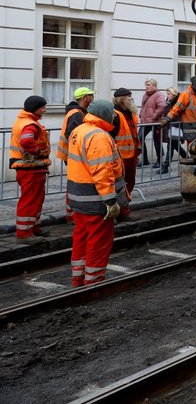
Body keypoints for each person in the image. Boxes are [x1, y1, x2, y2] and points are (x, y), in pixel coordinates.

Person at [66, 99, 128, 287]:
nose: (114, 117)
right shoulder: (99, 136)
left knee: (81, 237)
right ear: (104, 114)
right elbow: (102, 171)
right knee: (98, 241)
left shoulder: (79, 131)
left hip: (78, 197)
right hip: (96, 200)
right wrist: (110, 200)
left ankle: (78, 278)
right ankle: (93, 281)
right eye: (112, 114)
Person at [11, 96, 51, 243]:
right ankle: (24, 234)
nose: (45, 110)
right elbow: (27, 141)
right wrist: (38, 152)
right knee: (30, 200)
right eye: (42, 107)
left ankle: (33, 228)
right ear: (35, 108)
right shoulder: (30, 124)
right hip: (31, 168)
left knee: (35, 199)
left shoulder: (25, 121)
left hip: (30, 168)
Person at [56, 86, 95, 223]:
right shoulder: (76, 113)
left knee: (75, 183)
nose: (92, 98)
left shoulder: (78, 112)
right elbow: (73, 134)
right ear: (85, 98)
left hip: (73, 155)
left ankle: (73, 214)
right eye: (91, 95)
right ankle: (72, 214)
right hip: (75, 156)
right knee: (76, 184)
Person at [111, 88, 140, 220]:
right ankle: (122, 212)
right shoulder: (115, 115)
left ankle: (123, 209)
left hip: (131, 156)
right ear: (121, 99)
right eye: (129, 97)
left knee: (129, 184)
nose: (131, 99)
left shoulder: (131, 114)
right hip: (120, 157)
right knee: (120, 186)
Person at [161, 74, 196, 146]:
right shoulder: (186, 94)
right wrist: (167, 119)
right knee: (194, 150)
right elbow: (176, 108)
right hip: (191, 130)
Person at [159, 87, 189, 174]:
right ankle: (187, 158)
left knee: (171, 147)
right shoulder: (169, 102)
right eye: (167, 94)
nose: (167, 96)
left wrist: (174, 123)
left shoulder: (177, 103)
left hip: (174, 127)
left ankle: (165, 167)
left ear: (174, 94)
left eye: (169, 94)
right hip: (170, 128)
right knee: (175, 146)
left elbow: (179, 114)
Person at [139, 78, 168, 167]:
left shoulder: (159, 95)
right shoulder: (145, 95)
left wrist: (154, 116)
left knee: (157, 141)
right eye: (146, 85)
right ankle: (145, 159)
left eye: (148, 85)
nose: (146, 87)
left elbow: (161, 107)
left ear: (154, 86)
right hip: (145, 122)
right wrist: (141, 114)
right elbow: (143, 107)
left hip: (155, 122)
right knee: (139, 138)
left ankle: (159, 161)